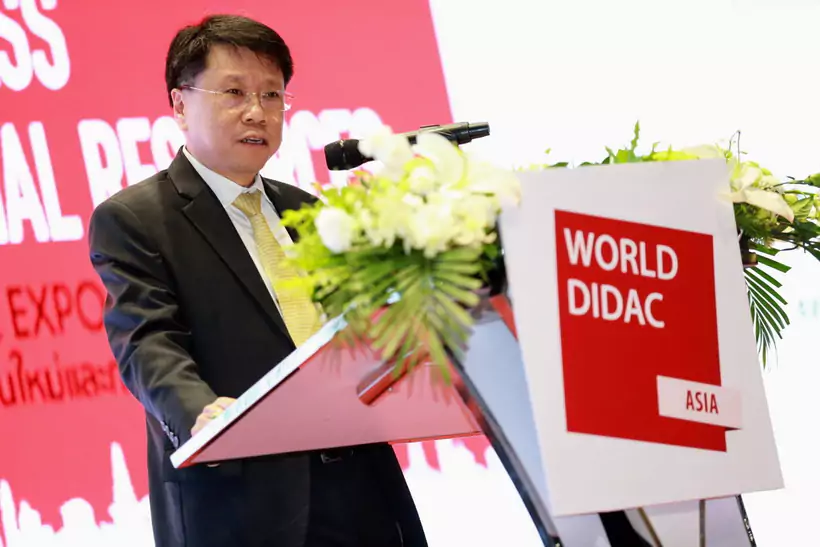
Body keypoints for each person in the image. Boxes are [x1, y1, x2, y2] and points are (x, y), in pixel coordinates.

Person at [87, 14, 427, 547]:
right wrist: (199, 412)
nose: (257, 111)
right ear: (180, 105)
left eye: (272, 95)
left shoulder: (309, 211)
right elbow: (147, 341)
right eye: (234, 92)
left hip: (361, 490)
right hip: (241, 501)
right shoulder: (135, 219)